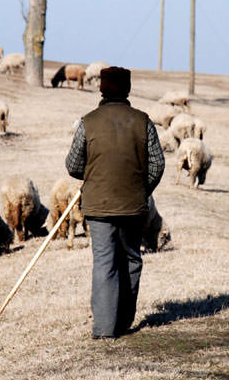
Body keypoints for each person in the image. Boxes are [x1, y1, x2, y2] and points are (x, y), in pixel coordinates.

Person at [65, 66, 165, 339]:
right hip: (134, 206)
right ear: (128, 90)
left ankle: (104, 329)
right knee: (131, 259)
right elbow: (157, 163)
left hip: (97, 207)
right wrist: (142, 189)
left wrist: (93, 173)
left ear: (102, 89)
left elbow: (73, 165)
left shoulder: (88, 121)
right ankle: (122, 322)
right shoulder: (143, 121)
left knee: (105, 263)